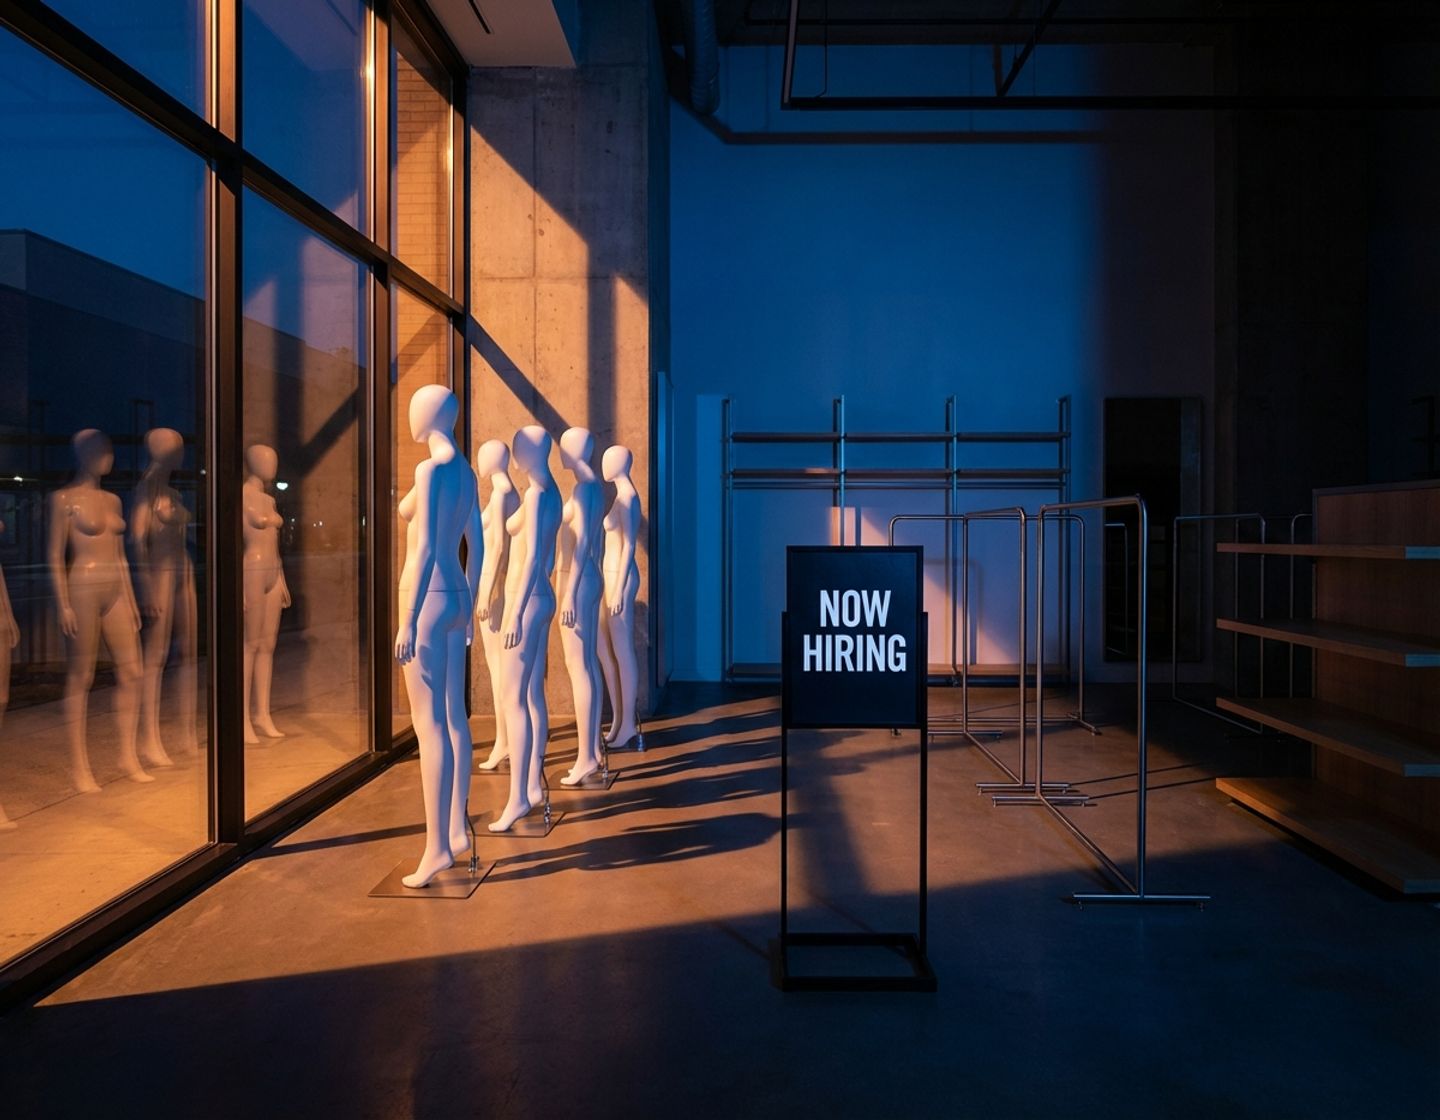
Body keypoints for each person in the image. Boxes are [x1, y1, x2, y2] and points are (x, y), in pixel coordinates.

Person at [394, 385, 482, 887]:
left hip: (425, 597)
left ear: (427, 414)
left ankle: (436, 849)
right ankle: (455, 829)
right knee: (451, 716)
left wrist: (406, 618)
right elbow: (469, 540)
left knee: (429, 724)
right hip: (455, 594)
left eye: (413, 407)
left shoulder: (431, 471)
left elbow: (424, 544)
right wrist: (468, 606)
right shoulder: (463, 472)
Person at [48, 429, 147, 793]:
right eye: (102, 450)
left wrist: (132, 599)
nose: (109, 456)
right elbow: (55, 556)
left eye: (110, 449)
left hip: (115, 589)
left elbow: (121, 556)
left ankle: (126, 754)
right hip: (84, 586)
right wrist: (63, 603)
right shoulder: (63, 500)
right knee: (81, 677)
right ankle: (79, 766)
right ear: (83, 453)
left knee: (133, 671)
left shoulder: (113, 501)